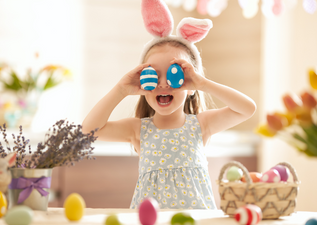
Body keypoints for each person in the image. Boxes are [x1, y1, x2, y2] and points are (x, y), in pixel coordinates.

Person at [81, 0, 256, 210]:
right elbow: (88, 131)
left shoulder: (200, 125)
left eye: (175, 75)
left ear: (189, 84)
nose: (163, 83)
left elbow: (247, 109)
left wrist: (203, 83)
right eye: (153, 76)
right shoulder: (138, 129)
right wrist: (121, 89)